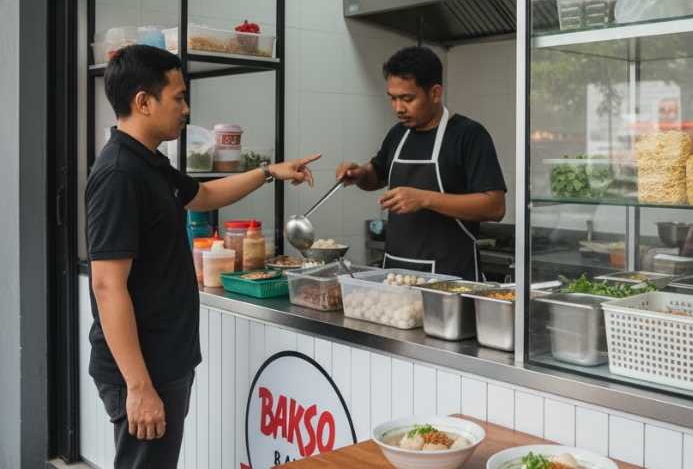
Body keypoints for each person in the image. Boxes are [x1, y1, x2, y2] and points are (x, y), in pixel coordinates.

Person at [86, 45, 320, 468]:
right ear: (143, 101)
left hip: (163, 362)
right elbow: (106, 286)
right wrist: (139, 387)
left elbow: (205, 194)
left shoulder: (148, 162)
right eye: (178, 97)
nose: (186, 109)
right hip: (144, 370)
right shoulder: (120, 174)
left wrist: (269, 172)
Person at [335, 46, 506, 281]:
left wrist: (424, 198)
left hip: (451, 279)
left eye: (407, 99)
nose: (398, 108)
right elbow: (377, 175)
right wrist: (360, 174)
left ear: (434, 93)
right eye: (393, 98)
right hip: (395, 275)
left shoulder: (469, 135)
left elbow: (495, 207)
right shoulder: (398, 134)